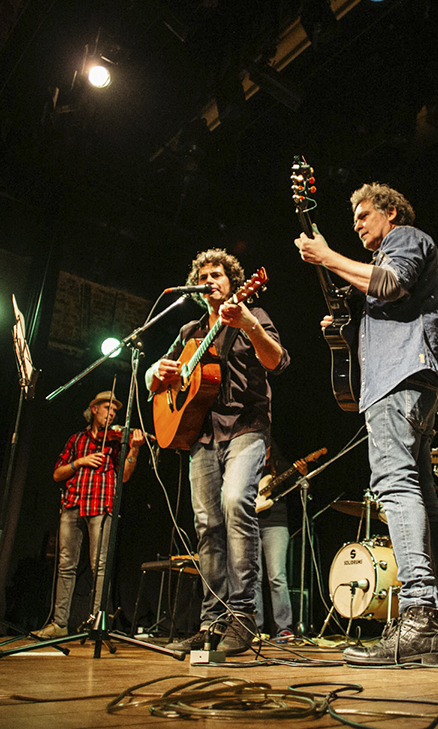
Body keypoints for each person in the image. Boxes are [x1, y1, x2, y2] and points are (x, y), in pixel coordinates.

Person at [295, 182, 438, 665]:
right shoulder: (389, 254)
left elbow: (391, 283)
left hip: (401, 379)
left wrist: (328, 256)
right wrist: (343, 328)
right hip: (408, 379)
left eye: (362, 213)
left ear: (391, 212)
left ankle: (418, 616)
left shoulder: (406, 238)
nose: (356, 223)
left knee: (394, 486)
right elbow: (388, 299)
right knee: (424, 502)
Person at [146, 248, 289, 655]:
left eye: (218, 275)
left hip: (247, 426)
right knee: (207, 523)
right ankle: (212, 620)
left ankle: (243, 615)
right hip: (202, 436)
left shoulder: (253, 315)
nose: (211, 280)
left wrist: (249, 326)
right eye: (204, 276)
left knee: (234, 502)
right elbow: (155, 383)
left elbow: (278, 361)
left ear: (234, 282)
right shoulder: (190, 330)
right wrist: (157, 372)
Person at [33, 391, 145, 639]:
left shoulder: (117, 443)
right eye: (108, 409)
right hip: (73, 504)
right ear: (94, 409)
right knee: (65, 565)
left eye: (115, 412)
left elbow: (124, 477)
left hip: (101, 505)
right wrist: (79, 462)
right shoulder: (77, 440)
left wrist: (134, 451)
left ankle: (97, 624)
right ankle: (59, 624)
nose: (112, 415)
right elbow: (57, 474)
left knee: (100, 567)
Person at [253, 442, 305, 641]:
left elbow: (299, 489)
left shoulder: (280, 467)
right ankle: (254, 628)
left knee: (277, 577)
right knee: (253, 578)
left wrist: (302, 473)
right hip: (251, 522)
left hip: (276, 523)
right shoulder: (248, 466)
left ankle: (284, 628)